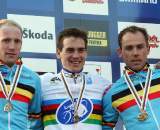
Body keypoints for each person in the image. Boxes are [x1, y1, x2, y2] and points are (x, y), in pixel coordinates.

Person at [41, 28, 111, 130]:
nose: (76, 55)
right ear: (58, 52)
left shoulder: (102, 85)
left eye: (81, 50)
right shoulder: (43, 83)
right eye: (70, 50)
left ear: (86, 53)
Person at [103, 25, 160, 130]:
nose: (135, 53)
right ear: (120, 52)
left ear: (148, 49)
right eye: (129, 48)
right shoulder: (112, 93)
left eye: (140, 47)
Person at [0, 19, 42, 130]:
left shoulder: (33, 79)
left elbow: (35, 122)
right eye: (6, 40)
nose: (12, 47)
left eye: (17, 41)